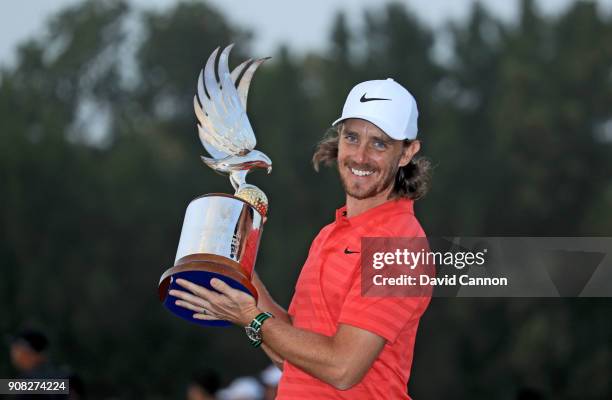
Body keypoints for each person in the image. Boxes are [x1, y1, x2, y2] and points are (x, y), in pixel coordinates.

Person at [170, 78, 432, 399]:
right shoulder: (330, 234)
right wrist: (239, 268)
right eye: (352, 137)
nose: (360, 156)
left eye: (379, 144)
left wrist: (251, 319)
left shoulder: (398, 246)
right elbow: (289, 353)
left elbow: (342, 368)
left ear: (407, 152)